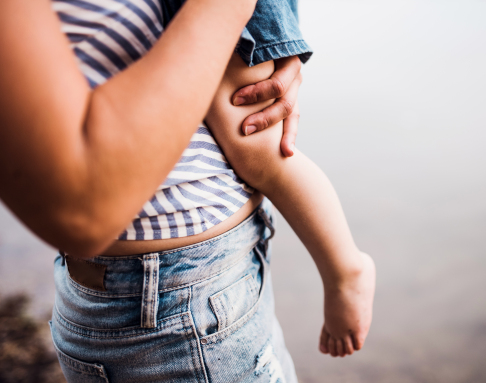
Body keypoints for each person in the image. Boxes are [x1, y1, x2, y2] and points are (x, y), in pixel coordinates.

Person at [0, 0, 375, 382]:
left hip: (188, 298)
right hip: (164, 306)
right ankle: (346, 267)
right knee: (259, 146)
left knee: (261, 145)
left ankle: (346, 266)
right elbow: (79, 209)